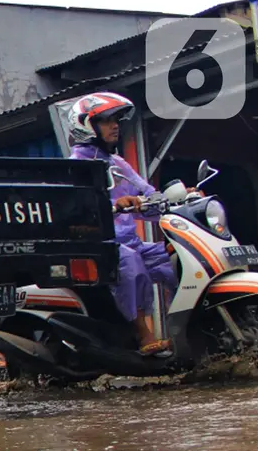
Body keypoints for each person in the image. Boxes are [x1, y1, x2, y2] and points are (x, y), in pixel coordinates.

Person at [67, 92, 180, 356]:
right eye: (106, 120)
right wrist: (116, 205)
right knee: (131, 263)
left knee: (174, 259)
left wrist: (172, 201)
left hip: (132, 242)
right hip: (102, 246)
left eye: (116, 119)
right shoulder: (76, 167)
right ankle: (143, 335)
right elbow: (78, 211)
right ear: (86, 125)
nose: (115, 125)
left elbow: (147, 193)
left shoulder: (117, 163)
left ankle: (187, 331)